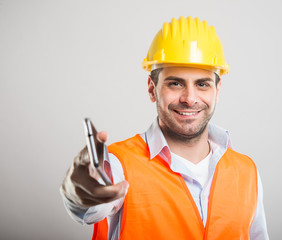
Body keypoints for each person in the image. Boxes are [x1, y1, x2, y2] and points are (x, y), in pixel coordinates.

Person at [60, 16, 269, 240]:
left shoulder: (246, 171)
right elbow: (88, 207)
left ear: (217, 90)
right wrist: (76, 192)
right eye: (175, 83)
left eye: (202, 84)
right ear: (152, 89)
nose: (190, 99)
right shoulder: (118, 165)